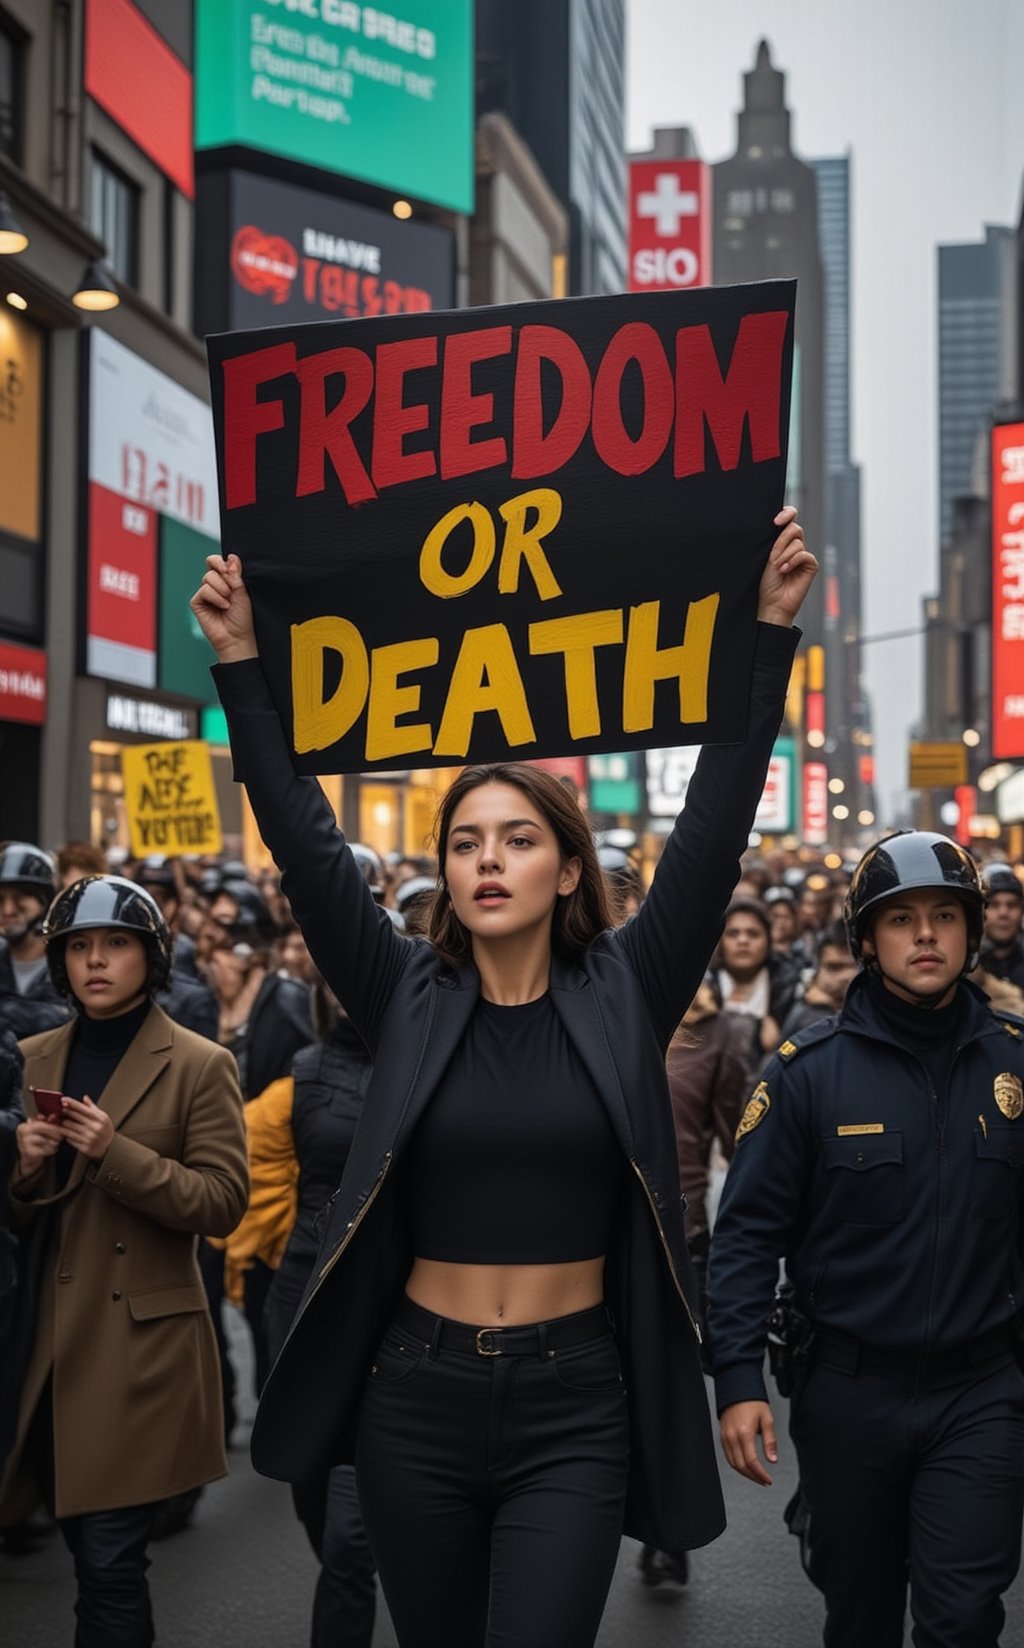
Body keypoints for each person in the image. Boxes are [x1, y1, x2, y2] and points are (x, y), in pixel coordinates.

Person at [190, 510, 815, 1648]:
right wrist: (238, 659)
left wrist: (768, 628)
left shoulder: (629, 982)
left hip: (574, 1403)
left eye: (517, 837)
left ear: (568, 863)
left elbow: (716, 823)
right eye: (466, 840)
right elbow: (301, 835)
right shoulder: (399, 988)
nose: (487, 859)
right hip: (412, 1396)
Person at [709, 830, 1024, 1648]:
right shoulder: (806, 1072)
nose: (925, 935)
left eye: (946, 916)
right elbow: (745, 1234)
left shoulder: (1014, 1066)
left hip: (982, 1392)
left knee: (963, 1620)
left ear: (972, 929)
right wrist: (737, 1378)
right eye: (902, 919)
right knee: (861, 1616)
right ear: (866, 940)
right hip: (848, 1393)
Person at [0, 876, 248, 1648]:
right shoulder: (32, 1054)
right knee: (77, 1550)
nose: (94, 962)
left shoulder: (200, 1064)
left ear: (151, 957)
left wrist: (116, 1153)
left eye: (114, 944)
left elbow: (220, 1204)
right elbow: (22, 1216)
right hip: (42, 1340)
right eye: (77, 946)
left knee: (110, 1565)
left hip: (138, 1351)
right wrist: (23, 1165)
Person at [263, 979, 377, 1648]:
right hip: (302, 1294)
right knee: (308, 1481)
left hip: (389, 1306)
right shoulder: (302, 1072)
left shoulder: (432, 1057)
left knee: (348, 1539)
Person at [0, 843, 70, 1039]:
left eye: (20, 897)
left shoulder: (71, 962)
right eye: (0, 899)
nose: (8, 910)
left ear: (46, 901)